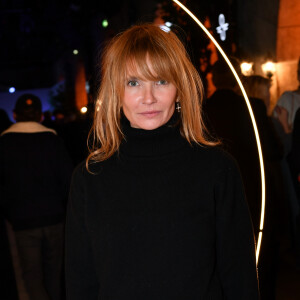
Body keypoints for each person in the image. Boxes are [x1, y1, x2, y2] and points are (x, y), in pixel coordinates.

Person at [65, 23, 259, 300]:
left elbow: (240, 278)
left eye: (161, 81)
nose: (148, 98)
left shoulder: (217, 169)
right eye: (133, 83)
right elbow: (80, 283)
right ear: (116, 93)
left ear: (179, 90)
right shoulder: (89, 178)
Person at [0, 93, 73, 300]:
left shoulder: (5, 144)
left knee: (32, 276)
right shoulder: (53, 140)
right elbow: (68, 180)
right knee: (54, 273)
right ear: (41, 116)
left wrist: (10, 212)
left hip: (23, 221)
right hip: (54, 218)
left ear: (15, 115)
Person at [203, 59, 260, 237]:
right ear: (236, 79)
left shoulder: (202, 109)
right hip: (250, 181)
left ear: (214, 79)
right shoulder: (254, 107)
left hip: (212, 187)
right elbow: (274, 150)